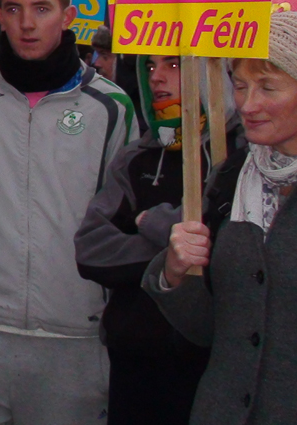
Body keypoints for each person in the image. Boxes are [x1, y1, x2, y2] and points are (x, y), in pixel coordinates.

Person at [0, 0, 137, 425]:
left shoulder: (110, 107)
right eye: (13, 9)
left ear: (68, 16)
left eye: (42, 9)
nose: (27, 23)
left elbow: (120, 225)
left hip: (74, 340)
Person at [142, 11, 297, 425]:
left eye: (267, 87)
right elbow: (211, 332)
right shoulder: (231, 176)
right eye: (240, 86)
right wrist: (175, 274)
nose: (248, 104)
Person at [75, 55, 238, 425]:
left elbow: (220, 244)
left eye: (173, 65)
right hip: (135, 358)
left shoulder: (239, 150)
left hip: (211, 364)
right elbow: (90, 249)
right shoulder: (138, 156)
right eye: (149, 67)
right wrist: (174, 251)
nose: (157, 78)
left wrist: (150, 221)